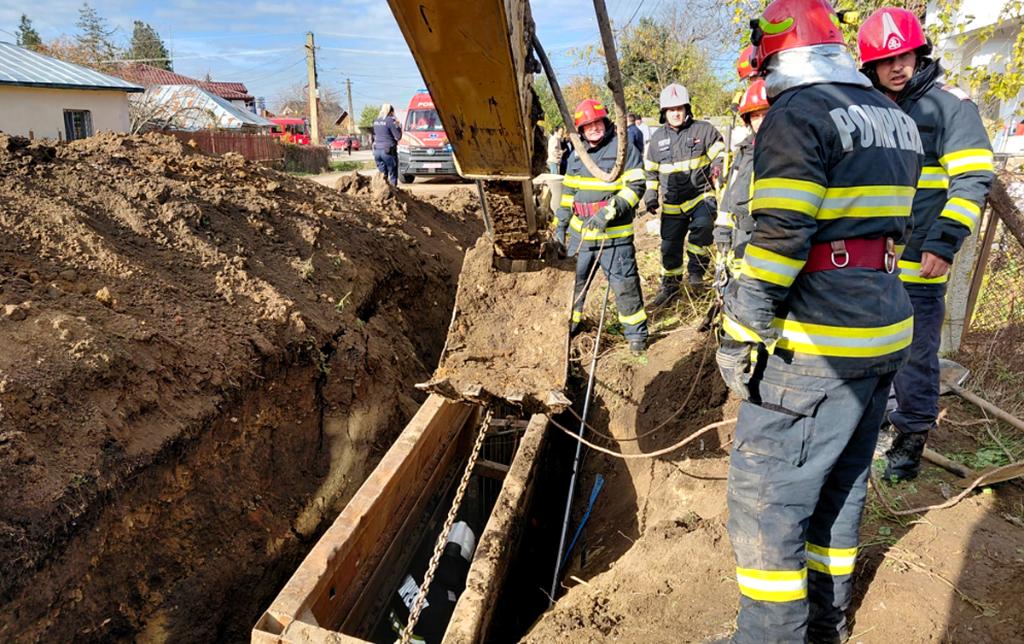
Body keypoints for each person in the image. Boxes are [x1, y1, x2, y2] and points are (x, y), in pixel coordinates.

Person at [716, 0, 922, 641]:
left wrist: (743, 326)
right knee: (840, 490)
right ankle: (824, 627)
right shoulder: (893, 116)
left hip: (817, 344)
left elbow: (781, 233)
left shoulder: (796, 114)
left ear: (778, 56)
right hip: (884, 329)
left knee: (767, 501)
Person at [857, 7, 995, 482]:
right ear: (870, 67)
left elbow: (973, 178)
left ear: (921, 55)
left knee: (916, 357)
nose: (898, 66)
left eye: (907, 56)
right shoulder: (869, 109)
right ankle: (881, 423)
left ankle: (910, 442)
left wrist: (944, 242)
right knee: (875, 352)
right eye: (887, 59)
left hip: (921, 261)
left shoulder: (951, 106)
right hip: (871, 261)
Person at [554, 99, 649, 355]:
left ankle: (636, 337)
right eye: (587, 125)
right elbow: (568, 194)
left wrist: (608, 213)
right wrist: (560, 225)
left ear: (605, 122)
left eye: (597, 122)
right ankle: (569, 329)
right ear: (580, 130)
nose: (593, 128)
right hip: (581, 237)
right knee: (573, 286)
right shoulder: (576, 155)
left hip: (614, 237)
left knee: (625, 285)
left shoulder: (623, 149)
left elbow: (636, 186)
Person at [644, 83, 725, 306]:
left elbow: (720, 154)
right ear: (664, 113)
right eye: (671, 110)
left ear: (687, 109)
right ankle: (670, 287)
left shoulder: (704, 130)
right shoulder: (656, 140)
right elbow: (650, 172)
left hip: (701, 195)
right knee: (669, 247)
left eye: (680, 108)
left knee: (703, 228)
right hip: (672, 204)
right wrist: (650, 196)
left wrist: (718, 170)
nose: (676, 113)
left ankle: (697, 275)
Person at [714, 78, 770, 279]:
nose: (761, 121)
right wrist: (722, 230)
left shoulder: (786, 150)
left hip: (768, 240)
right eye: (755, 116)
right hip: (740, 238)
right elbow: (729, 195)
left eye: (766, 113)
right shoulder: (744, 151)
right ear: (748, 120)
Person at [372, 103, 402, 185]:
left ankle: (382, 193)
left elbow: (375, 134)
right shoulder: (390, 121)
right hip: (388, 151)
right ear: (391, 111)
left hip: (377, 151)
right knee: (393, 174)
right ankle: (393, 194)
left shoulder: (375, 121)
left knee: (383, 176)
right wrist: (398, 126)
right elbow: (398, 136)